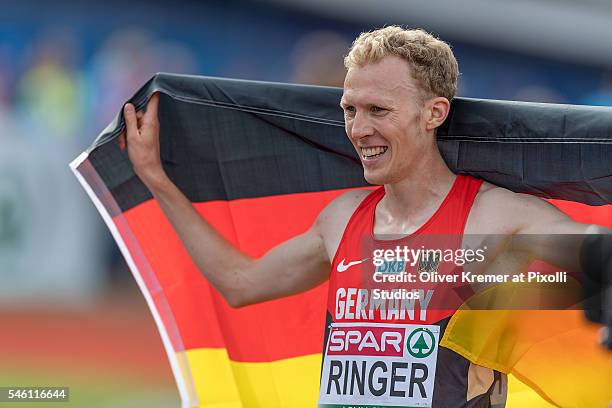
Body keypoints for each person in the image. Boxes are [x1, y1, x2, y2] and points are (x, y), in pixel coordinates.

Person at [123, 26, 607, 407]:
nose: (358, 129)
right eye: (349, 110)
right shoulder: (342, 220)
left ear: (434, 113)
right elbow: (240, 283)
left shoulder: (490, 218)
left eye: (378, 110)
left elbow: (592, 249)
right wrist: (156, 179)